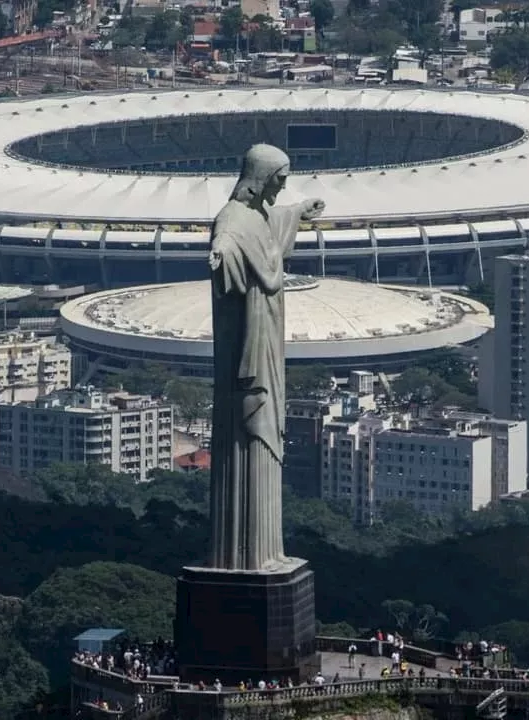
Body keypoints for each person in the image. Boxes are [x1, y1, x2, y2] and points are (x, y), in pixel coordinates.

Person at [207, 143, 325, 572]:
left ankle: (267, 552)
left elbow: (268, 222)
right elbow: (229, 236)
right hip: (250, 343)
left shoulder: (258, 213)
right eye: (279, 180)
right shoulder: (233, 219)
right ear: (259, 178)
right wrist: (221, 253)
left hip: (270, 333)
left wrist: (298, 211)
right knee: (247, 442)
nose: (283, 187)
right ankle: (245, 556)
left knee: (266, 441)